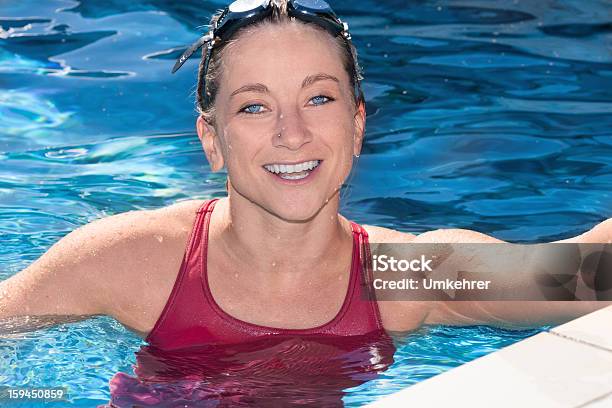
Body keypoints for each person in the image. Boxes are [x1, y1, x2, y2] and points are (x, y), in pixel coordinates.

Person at [1, 0, 611, 347]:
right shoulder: (135, 260)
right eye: (254, 106)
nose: (292, 133)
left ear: (358, 125)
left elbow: (588, 276)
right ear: (211, 140)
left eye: (319, 99)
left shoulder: (401, 278)